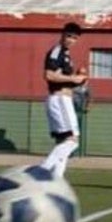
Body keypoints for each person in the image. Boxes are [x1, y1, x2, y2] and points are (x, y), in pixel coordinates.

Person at [40, 22, 86, 178]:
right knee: (72, 141)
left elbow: (62, 77)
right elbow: (49, 75)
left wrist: (78, 81)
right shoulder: (57, 51)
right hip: (59, 99)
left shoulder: (66, 55)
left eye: (74, 38)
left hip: (62, 99)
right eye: (69, 36)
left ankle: (55, 180)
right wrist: (73, 78)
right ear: (63, 34)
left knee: (62, 143)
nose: (71, 40)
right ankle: (42, 171)